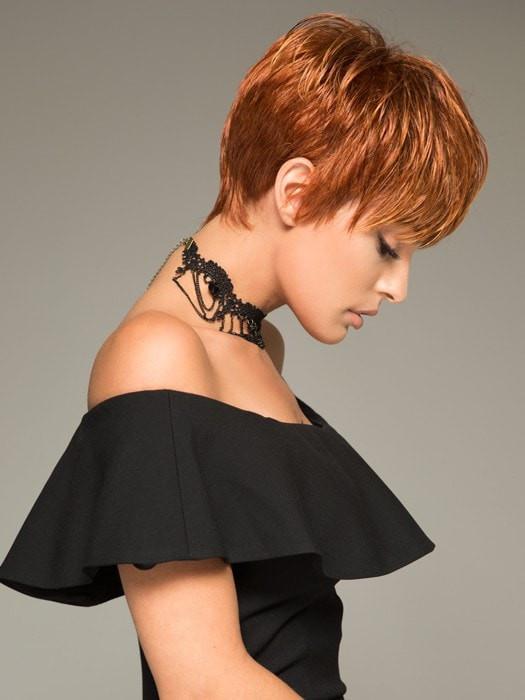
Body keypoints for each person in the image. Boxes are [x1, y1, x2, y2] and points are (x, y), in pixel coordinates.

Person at [0, 11, 488, 700]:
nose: (397, 286)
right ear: (297, 192)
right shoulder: (155, 356)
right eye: (387, 245)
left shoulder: (258, 346)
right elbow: (201, 682)